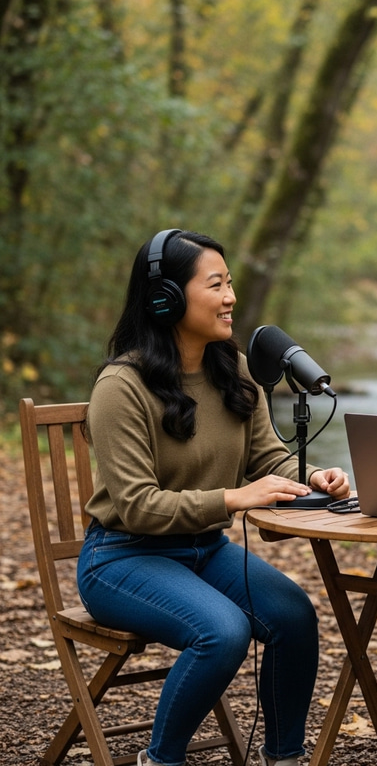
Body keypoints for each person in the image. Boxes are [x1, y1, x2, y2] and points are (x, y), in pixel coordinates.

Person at [77, 228, 350, 766]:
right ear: (168, 298)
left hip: (204, 551)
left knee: (294, 617)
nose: (230, 297)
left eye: (230, 284)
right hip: (122, 557)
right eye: (216, 284)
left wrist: (313, 477)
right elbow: (136, 504)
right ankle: (161, 759)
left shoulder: (234, 369)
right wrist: (234, 498)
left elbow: (267, 458)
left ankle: (284, 758)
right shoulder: (121, 386)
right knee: (222, 632)